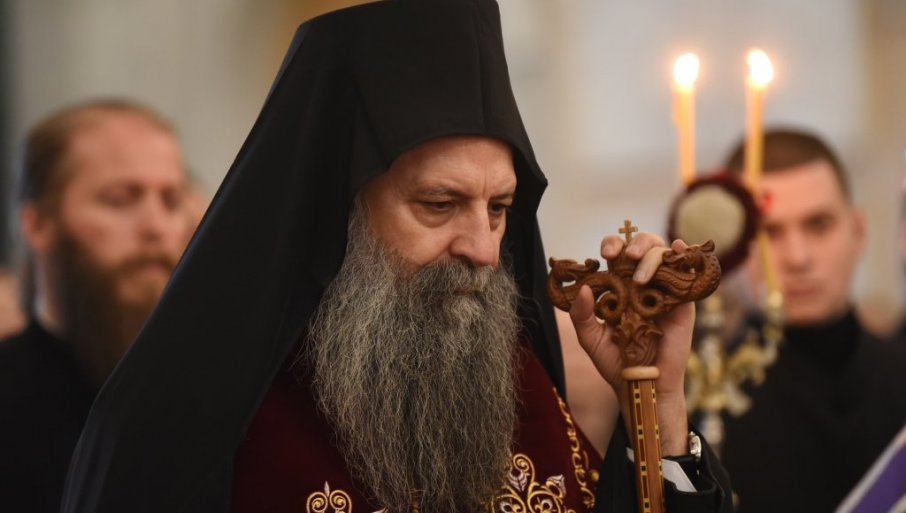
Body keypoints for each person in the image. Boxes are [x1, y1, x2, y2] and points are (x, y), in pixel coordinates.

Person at [63, 2, 732, 512]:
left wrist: (659, 406)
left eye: (499, 208)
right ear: (338, 212)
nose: (482, 249)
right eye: (439, 204)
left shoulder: (514, 383)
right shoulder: (189, 429)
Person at [0, 99, 195, 513]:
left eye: (171, 200)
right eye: (120, 199)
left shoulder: (212, 395)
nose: (157, 226)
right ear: (38, 224)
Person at [719, 128, 906, 513]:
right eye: (769, 232)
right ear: (736, 248)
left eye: (819, 224)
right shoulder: (702, 404)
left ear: (858, 230)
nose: (798, 258)